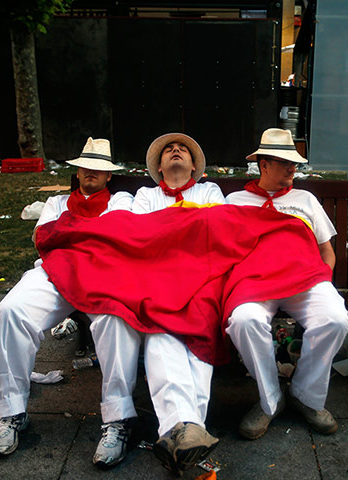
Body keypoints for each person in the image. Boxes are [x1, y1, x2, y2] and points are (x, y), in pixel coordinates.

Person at [0, 138, 139, 469]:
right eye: (85, 166)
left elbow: (119, 237)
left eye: (98, 168)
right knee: (10, 312)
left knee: (116, 320)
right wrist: (92, 233)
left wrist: (72, 231)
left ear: (109, 175)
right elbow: (45, 240)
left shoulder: (121, 199)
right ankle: (11, 413)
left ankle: (117, 420)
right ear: (78, 170)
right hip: (56, 273)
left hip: (103, 274)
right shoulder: (56, 201)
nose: (91, 172)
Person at [225, 128, 348, 440]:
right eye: (285, 162)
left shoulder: (305, 199)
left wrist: (322, 281)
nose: (294, 168)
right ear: (264, 165)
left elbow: (327, 252)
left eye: (294, 162)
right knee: (244, 321)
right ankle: (271, 400)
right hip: (254, 283)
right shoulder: (234, 201)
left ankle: (305, 395)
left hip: (304, 280)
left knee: (335, 319)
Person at [132, 133, 225, 475]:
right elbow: (138, 236)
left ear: (195, 168)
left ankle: (181, 429)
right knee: (158, 335)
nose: (175, 150)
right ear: (159, 167)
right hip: (157, 278)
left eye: (182, 149)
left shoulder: (209, 192)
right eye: (169, 150)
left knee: (199, 337)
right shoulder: (145, 195)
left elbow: (217, 230)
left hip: (201, 277)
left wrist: (170, 230)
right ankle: (189, 430)